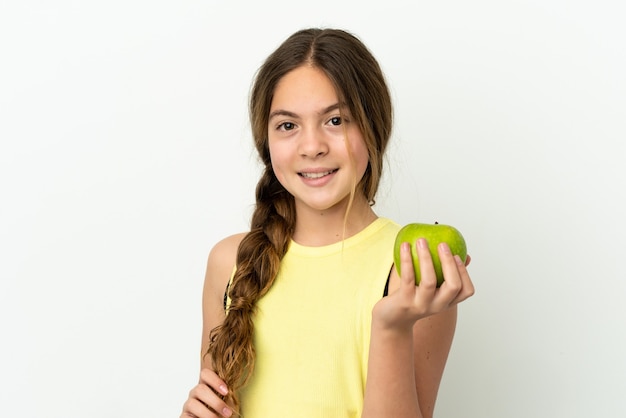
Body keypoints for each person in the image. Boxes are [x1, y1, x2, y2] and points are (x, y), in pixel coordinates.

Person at [181, 27, 475, 418]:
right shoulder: (229, 261)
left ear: (373, 128)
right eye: (288, 125)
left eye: (335, 120)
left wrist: (390, 328)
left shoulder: (413, 269)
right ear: (265, 142)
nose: (312, 145)